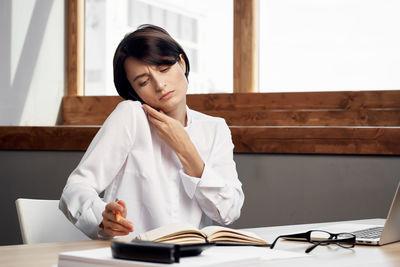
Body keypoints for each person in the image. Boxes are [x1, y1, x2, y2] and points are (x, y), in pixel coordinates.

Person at [59, 24, 244, 239]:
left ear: (181, 63)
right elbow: (76, 187)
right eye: (144, 82)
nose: (160, 85)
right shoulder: (131, 116)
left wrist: (186, 150)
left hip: (191, 257)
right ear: (134, 91)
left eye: (164, 69)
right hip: (134, 255)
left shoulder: (215, 128)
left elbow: (229, 212)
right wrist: (102, 217)